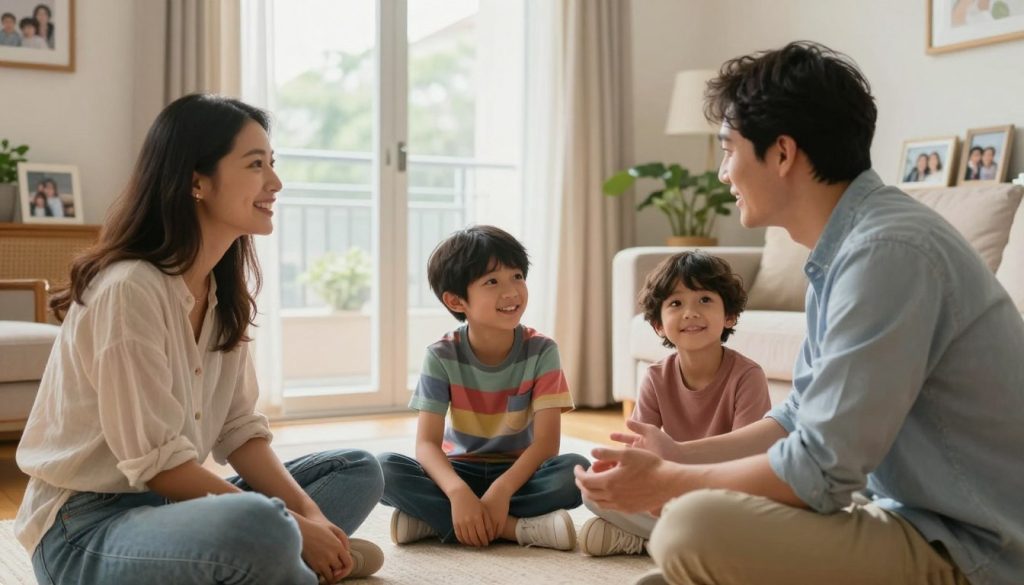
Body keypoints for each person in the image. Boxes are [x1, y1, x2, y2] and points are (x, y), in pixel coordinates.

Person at [575, 41, 1024, 585]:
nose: (722, 174)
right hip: (913, 520)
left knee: (690, 529)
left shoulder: (888, 252)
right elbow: (797, 419)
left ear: (782, 153)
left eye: (728, 150)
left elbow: (821, 471)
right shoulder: (844, 252)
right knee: (663, 573)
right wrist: (680, 456)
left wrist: (669, 481)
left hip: (975, 551)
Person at [15, 94, 386, 585]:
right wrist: (291, 526)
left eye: (272, 164)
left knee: (358, 469)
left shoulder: (221, 289)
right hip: (85, 531)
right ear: (196, 180)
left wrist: (311, 519)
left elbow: (239, 430)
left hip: (176, 511)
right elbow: (160, 466)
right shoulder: (129, 289)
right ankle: (285, 561)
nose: (275, 183)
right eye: (256, 165)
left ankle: (279, 559)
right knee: (259, 522)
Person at [377, 225, 590, 551]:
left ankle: (434, 521)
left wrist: (502, 491)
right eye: (492, 281)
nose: (511, 292)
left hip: (519, 474)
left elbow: (547, 444)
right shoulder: (441, 355)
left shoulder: (542, 351)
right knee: (382, 469)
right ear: (456, 300)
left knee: (576, 471)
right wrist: (458, 492)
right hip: (459, 470)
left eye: (517, 276)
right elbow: (427, 444)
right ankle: (514, 529)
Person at [578, 251, 770, 557]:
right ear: (657, 324)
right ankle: (676, 540)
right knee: (593, 492)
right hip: (673, 490)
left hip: (726, 490)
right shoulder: (655, 377)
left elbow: (750, 459)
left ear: (729, 316)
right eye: (676, 303)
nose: (690, 312)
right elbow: (640, 453)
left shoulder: (748, 376)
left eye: (705, 300)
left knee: (744, 515)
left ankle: (654, 539)